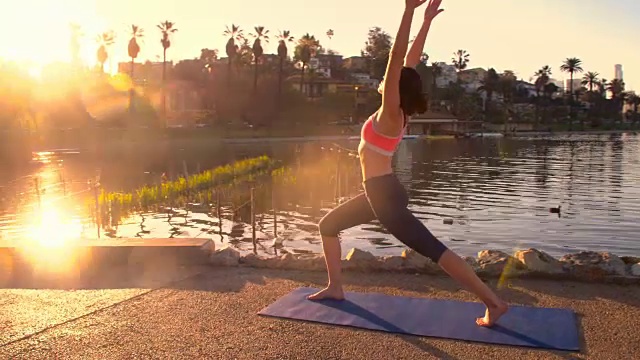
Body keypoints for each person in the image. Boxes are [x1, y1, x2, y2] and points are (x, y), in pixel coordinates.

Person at [308, 0, 509, 327]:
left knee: (435, 250)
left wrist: (408, 12)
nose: (386, 78)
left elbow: (397, 58)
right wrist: (426, 21)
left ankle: (493, 303)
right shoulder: (395, 112)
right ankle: (335, 287)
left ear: (395, 87)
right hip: (382, 191)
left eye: (391, 78)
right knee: (328, 225)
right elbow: (408, 62)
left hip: (384, 197)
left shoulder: (390, 114)